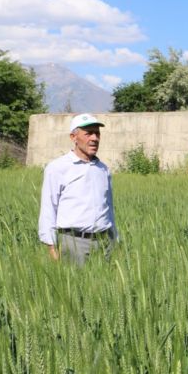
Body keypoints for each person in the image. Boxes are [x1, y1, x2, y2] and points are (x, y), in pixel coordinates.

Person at [38, 113, 118, 265]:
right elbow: (49, 208)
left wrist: (114, 238)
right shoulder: (57, 168)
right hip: (74, 243)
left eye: (97, 133)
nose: (94, 138)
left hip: (104, 242)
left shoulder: (103, 170)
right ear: (73, 137)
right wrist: (51, 247)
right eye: (88, 133)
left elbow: (109, 208)